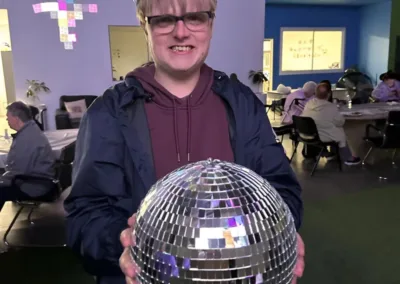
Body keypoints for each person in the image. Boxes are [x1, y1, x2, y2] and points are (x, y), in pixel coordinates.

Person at [64, 1, 305, 283]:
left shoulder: (242, 104)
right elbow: (84, 217)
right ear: (145, 26)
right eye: (165, 19)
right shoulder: (108, 113)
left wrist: (281, 230)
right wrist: (122, 241)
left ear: (210, 24)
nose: (181, 32)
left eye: (194, 17)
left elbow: (281, 189)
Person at [0, 101, 56, 211]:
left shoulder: (27, 138)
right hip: (38, 180)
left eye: (8, 117)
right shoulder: (31, 130)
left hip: (35, 185)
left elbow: (18, 170)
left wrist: (2, 179)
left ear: (16, 118)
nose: (7, 120)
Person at [301, 84, 361, 165]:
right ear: (329, 94)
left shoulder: (309, 104)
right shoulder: (330, 107)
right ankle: (347, 157)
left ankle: (329, 153)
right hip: (320, 137)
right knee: (339, 130)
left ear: (315, 93)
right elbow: (340, 122)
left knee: (331, 127)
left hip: (305, 134)